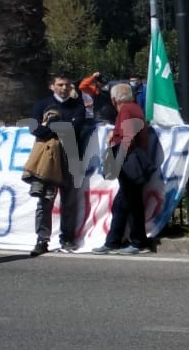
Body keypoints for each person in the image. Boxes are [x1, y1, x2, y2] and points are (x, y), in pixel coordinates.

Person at [29, 74, 93, 256]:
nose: (64, 88)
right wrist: (60, 126)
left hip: (71, 158)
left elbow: (77, 127)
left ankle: (68, 238)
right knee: (45, 201)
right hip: (49, 160)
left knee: (69, 202)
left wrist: (50, 126)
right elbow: (34, 129)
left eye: (67, 85)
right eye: (60, 84)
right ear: (52, 86)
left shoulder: (78, 105)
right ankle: (42, 240)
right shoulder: (41, 104)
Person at [95, 83, 153, 255]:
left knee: (132, 203)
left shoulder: (126, 110)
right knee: (121, 204)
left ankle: (137, 241)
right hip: (131, 159)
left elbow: (128, 136)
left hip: (129, 161)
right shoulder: (134, 108)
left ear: (114, 100)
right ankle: (113, 240)